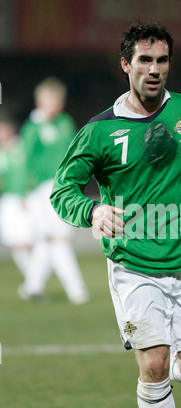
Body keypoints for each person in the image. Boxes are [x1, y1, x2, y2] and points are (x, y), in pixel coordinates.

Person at [50, 22, 181, 408]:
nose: (154, 69)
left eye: (162, 60)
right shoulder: (99, 131)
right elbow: (62, 190)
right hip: (134, 264)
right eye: (145, 60)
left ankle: (161, 380)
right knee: (154, 361)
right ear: (126, 65)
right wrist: (92, 210)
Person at [19, 77, 90, 304]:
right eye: (49, 100)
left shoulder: (65, 123)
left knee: (47, 240)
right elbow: (24, 161)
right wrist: (23, 192)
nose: (54, 105)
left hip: (64, 186)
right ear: (39, 101)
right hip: (41, 190)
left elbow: (74, 154)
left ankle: (33, 285)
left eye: (57, 100)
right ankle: (76, 289)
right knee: (58, 238)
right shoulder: (32, 128)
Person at [0, 115, 32, 278]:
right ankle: (32, 278)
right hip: (7, 199)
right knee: (15, 242)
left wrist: (24, 193)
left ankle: (34, 278)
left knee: (28, 240)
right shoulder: (2, 153)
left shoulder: (21, 148)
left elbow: (24, 173)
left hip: (22, 198)